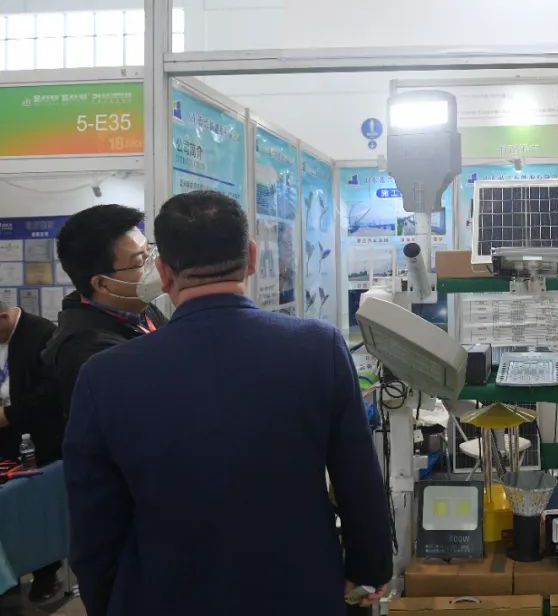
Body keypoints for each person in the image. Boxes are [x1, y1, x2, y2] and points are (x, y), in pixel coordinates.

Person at [64, 191, 392, 616]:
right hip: (298, 589)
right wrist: (368, 567)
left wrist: (108, 602)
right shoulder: (317, 348)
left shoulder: (104, 376)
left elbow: (94, 524)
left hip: (166, 595)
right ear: (252, 257)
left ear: (163, 273)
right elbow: (357, 478)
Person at [41, 205, 167, 421]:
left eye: (150, 252)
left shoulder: (137, 307)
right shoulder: (90, 352)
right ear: (102, 284)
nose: (155, 265)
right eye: (140, 261)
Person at [0, 300, 63, 603]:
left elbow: (52, 393)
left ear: (3, 317)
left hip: (36, 438)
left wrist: (8, 415)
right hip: (3, 439)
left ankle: (45, 573)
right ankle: (8, 577)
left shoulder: (42, 334)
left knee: (35, 507)